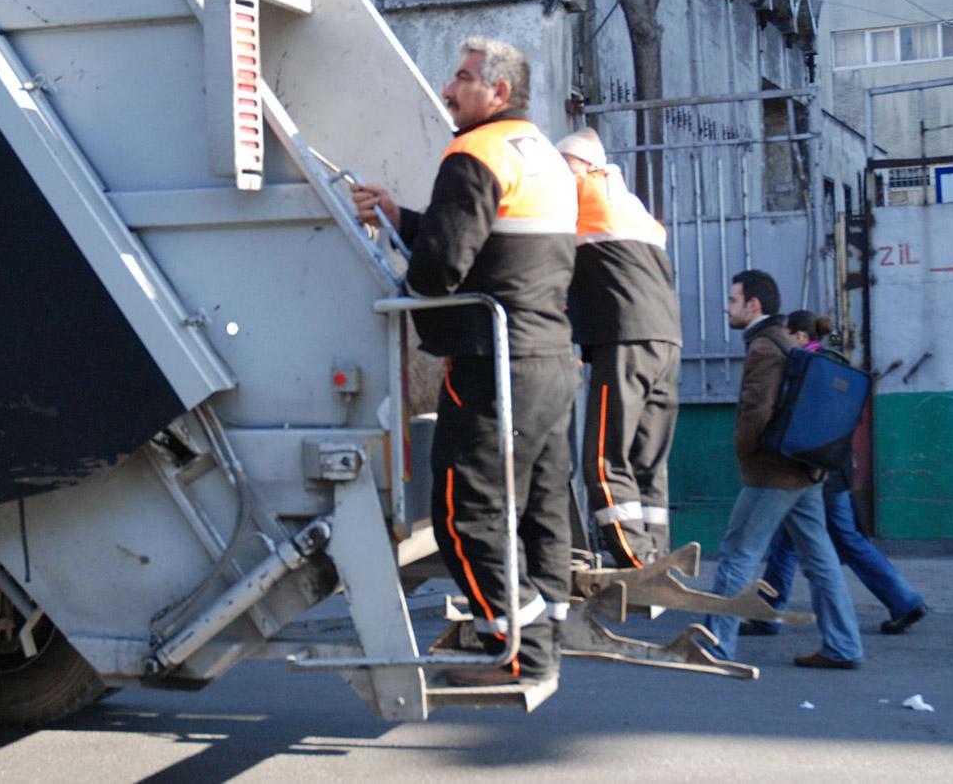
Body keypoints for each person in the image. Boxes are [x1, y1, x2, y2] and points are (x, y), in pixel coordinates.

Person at [350, 37, 579, 686]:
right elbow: (494, 245)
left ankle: (518, 653)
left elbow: (441, 268)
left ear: (498, 93)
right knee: (537, 509)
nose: (448, 91)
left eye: (462, 78)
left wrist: (401, 273)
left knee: (465, 513)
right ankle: (544, 635)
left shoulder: (473, 152)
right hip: (548, 358)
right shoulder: (541, 156)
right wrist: (403, 215)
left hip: (491, 364)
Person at [702, 271, 864, 669]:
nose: (727, 306)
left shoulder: (763, 345)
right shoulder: (786, 341)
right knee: (820, 559)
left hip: (773, 473)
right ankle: (843, 646)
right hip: (804, 470)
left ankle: (714, 646)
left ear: (753, 304)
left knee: (737, 554)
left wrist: (745, 453)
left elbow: (756, 410)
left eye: (733, 298)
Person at [741, 311, 929, 637]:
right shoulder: (834, 361)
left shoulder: (807, 366)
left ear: (800, 336)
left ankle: (903, 599)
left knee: (840, 539)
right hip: (833, 466)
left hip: (813, 470)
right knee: (790, 542)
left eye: (790, 335)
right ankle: (766, 613)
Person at [557, 128, 682, 569]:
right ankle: (657, 554)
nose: (559, 175)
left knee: (603, 458)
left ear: (586, 166)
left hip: (625, 339)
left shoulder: (580, 193)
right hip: (666, 341)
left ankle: (634, 559)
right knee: (647, 458)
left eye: (564, 166)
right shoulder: (635, 209)